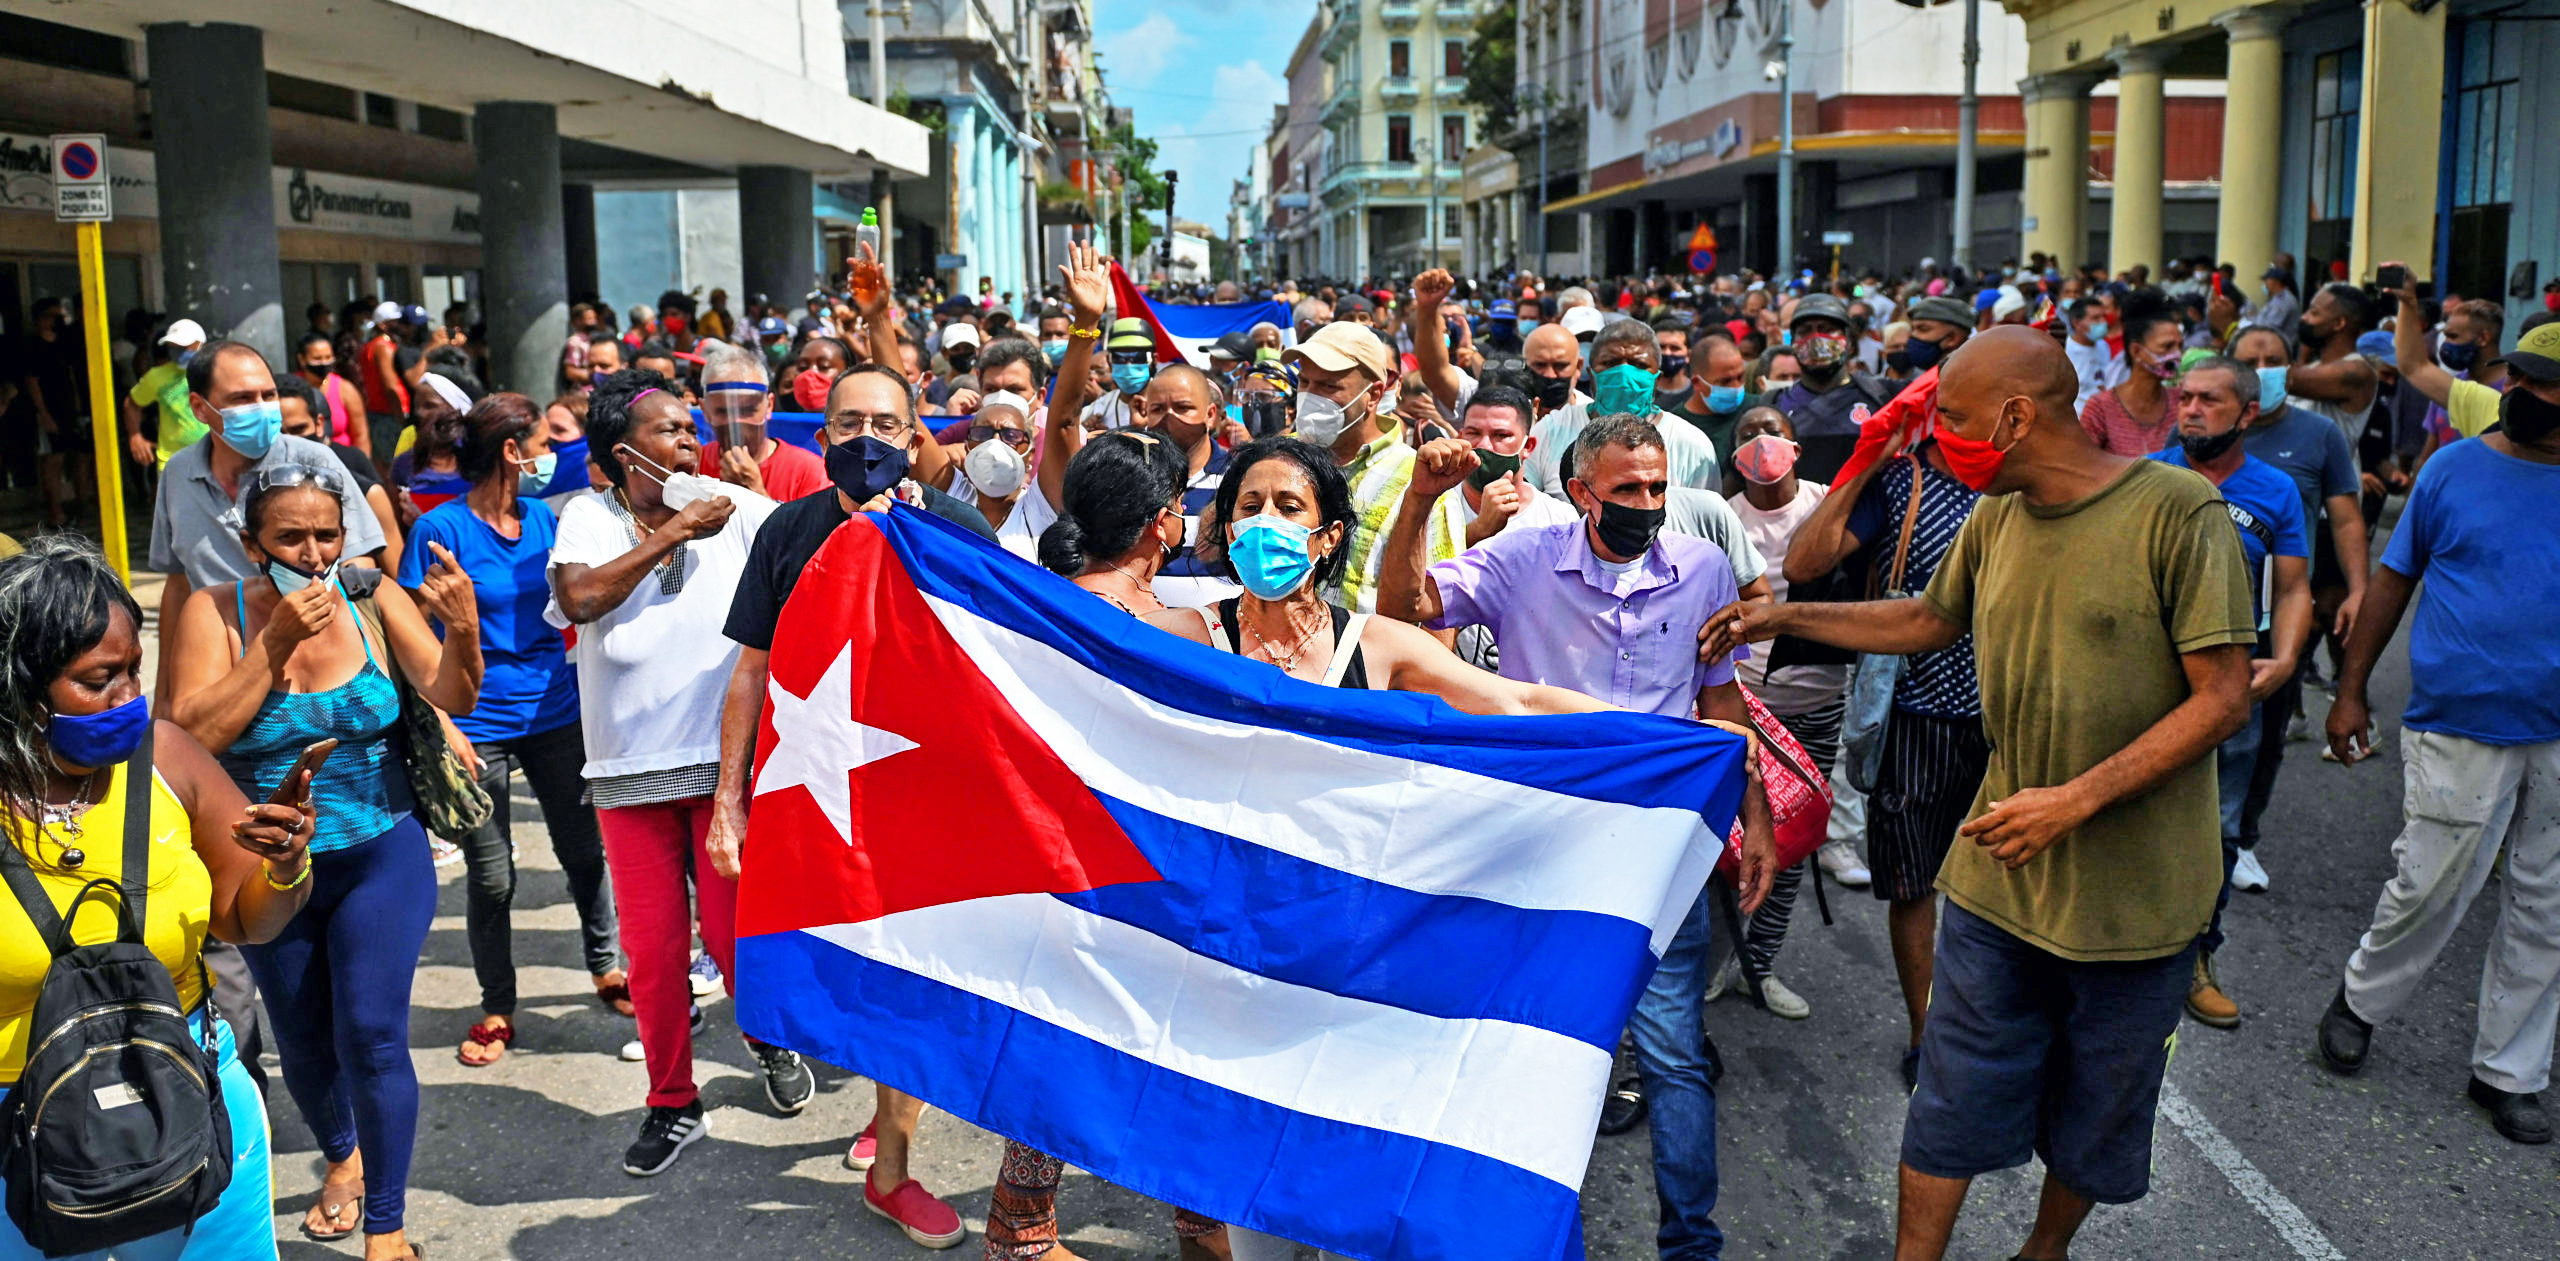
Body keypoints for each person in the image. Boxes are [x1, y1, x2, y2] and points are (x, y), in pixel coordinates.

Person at [1706, 327, 2254, 1261]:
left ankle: (2043, 1249)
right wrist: (1786, 614)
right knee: (1950, 1092)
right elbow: (1927, 618)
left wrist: (2074, 800)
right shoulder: (1997, 518)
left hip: (2138, 895)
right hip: (2000, 880)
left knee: (2099, 1107)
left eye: (1952, 417)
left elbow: (2224, 696)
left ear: (2014, 417)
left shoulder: (2177, 510)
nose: (1940, 436)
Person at [1373, 416, 1777, 1261]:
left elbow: (1722, 706)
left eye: (1658, 487)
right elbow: (1404, 610)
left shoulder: (1702, 569)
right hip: (1539, 848)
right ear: (1581, 490)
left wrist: (1758, 817)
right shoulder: (1523, 558)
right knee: (1520, 1050)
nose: (1648, 503)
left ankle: (1691, 1246)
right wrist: (1419, 502)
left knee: (1672, 1056)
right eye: (1628, 488)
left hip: (1656, 849)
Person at [164, 464, 480, 1261]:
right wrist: (272, 643)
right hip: (267, 869)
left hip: (382, 850)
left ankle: (388, 1227)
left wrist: (465, 631)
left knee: (372, 1033)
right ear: (251, 544)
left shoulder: (373, 598)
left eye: (327, 535)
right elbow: (187, 738)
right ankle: (342, 1153)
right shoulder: (214, 610)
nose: (313, 555)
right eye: (291, 538)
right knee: (302, 1039)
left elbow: (453, 692)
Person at [713, 361, 989, 1251]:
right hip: (817, 794)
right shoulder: (787, 529)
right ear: (821, 433)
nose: (866, 439)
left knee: (908, 978)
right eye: (848, 423)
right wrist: (728, 803)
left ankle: (891, 1167)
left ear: (914, 435)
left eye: (886, 424)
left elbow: (994, 666)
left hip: (925, 796)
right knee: (837, 971)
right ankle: (878, 1096)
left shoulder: (953, 527)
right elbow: (750, 669)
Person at [0, 535, 317, 1260]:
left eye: (133, 670)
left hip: (191, 1107)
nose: (128, 698)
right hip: (23, 1144)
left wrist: (285, 865)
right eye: (99, 679)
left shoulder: (167, 757)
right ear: (19, 687)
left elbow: (247, 919)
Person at [545, 368, 812, 1175]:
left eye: (692, 429)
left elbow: (814, 540)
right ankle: (672, 1101)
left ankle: (768, 1039)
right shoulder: (589, 516)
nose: (690, 442)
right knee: (654, 953)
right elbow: (580, 599)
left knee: (734, 940)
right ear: (623, 454)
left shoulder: (730, 507)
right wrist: (674, 532)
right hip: (626, 771)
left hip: (722, 767)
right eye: (668, 430)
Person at [2317, 292, 2560, 1147]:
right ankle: (2360, 1000)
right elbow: (2393, 581)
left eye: (2553, 387)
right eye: (2526, 378)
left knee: (2548, 906)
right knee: (2431, 882)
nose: (2533, 395)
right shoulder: (2453, 469)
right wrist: (2351, 689)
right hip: (2459, 717)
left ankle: (2509, 1072)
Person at [396, 393, 625, 1067]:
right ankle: (498, 1004)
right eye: (543, 443)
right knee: (493, 876)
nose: (551, 456)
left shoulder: (545, 519)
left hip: (555, 712)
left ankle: (607, 966)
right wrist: (441, 721)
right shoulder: (440, 531)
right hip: (475, 722)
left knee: (583, 853)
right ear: (510, 450)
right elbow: (408, 637)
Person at [1778, 379, 1987, 1089]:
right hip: (1917, 711)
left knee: (2007, 884)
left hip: (2010, 713)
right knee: (1914, 883)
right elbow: (1804, 564)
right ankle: (1927, 1033)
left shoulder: (2024, 481)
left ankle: (1996, 1026)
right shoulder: (1902, 478)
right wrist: (1867, 457)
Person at [2145, 357, 2312, 1030]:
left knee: (2218, 829)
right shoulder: (2144, 476)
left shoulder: (2276, 490)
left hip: (2229, 690)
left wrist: (2287, 658)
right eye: (2184, 397)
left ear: (2248, 412)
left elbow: (2293, 587)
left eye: (2209, 399)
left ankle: (2195, 957)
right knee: (2128, 816)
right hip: (2144, 687)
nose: (2190, 409)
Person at [1715, 406, 1858, 1018]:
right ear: (1733, 453)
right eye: (1748, 434)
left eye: (1773, 431)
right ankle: (1715, 959)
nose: (1762, 442)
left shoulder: (1826, 505)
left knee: (1794, 842)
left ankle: (1761, 964)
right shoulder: (1722, 516)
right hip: (1744, 702)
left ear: (1796, 446)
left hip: (1817, 701)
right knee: (1727, 841)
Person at [2226, 322, 2367, 863]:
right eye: (2249, 361)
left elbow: (2346, 519)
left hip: (2284, 609)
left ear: (2291, 367)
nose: (2262, 371)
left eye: (2273, 361)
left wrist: (2359, 591)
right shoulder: (2202, 428)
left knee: (2266, 732)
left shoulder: (2319, 435)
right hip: (2203, 609)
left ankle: (2241, 840)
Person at [1277, 323, 1465, 614]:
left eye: (1329, 387)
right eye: (1304, 383)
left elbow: (1441, 607)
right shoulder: (1279, 459)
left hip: (1371, 643)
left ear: (1374, 395)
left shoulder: (1420, 481)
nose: (1311, 397)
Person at [1519, 319, 1721, 495]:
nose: (1624, 374)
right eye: (1611, 363)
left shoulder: (1691, 444)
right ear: (1591, 375)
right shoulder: (1550, 431)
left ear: (1656, 378)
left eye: (1638, 365)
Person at [277, 373, 405, 578]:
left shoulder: (367, 493)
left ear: (319, 424)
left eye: (298, 429)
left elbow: (399, 576)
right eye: (278, 433)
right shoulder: (247, 493)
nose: (289, 443)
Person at [1764, 294, 1895, 484]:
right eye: (1805, 331)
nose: (1816, 339)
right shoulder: (1773, 405)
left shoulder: (1883, 395)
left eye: (1827, 330)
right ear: (1792, 343)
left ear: (1849, 342)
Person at [699, 341, 828, 502]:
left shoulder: (809, 473)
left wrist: (755, 491)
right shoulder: (694, 464)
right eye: (723, 411)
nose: (736, 422)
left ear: (769, 406)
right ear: (705, 410)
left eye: (748, 410)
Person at [2076, 290, 2184, 457]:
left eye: (2180, 346)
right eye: (2167, 347)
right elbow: (2084, 464)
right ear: (2136, 351)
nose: (2177, 354)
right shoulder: (2100, 409)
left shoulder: (2182, 402)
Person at [122, 319, 209, 470]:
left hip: (214, 462)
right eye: (173, 348)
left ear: (201, 345)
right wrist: (135, 436)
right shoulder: (157, 376)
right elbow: (132, 403)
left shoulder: (218, 373)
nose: (178, 353)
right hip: (172, 465)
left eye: (183, 347)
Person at [1665, 332, 1754, 474]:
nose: (1736, 387)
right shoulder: (1675, 428)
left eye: (1740, 377)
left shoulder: (1757, 409)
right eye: (1725, 381)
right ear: (1697, 383)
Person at [295, 331, 372, 455]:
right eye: (317, 359)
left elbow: (361, 435)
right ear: (302, 359)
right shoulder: (293, 388)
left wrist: (362, 463)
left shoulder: (345, 389)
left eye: (328, 357)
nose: (324, 363)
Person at [360, 302, 412, 424]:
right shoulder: (383, 347)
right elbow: (391, 387)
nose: (400, 325)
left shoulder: (373, 345)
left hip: (381, 412)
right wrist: (400, 417)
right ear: (383, 325)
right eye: (395, 321)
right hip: (389, 414)